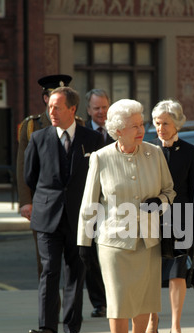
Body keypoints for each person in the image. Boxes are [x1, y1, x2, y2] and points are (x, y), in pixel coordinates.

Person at [78, 99, 176, 333]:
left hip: (148, 240)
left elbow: (170, 191)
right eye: (134, 126)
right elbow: (89, 204)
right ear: (118, 130)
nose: (141, 129)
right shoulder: (100, 157)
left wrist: (159, 201)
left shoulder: (155, 154)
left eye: (141, 123)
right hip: (114, 242)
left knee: (145, 301)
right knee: (119, 303)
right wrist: (84, 243)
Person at [24, 87, 104, 333]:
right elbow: (31, 177)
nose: (52, 112)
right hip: (47, 217)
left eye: (57, 107)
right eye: (50, 108)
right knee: (49, 271)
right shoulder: (38, 138)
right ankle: (47, 328)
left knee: (75, 272)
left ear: (72, 109)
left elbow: (101, 178)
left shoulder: (91, 140)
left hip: (81, 217)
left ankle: (72, 327)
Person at [145, 100, 194, 333]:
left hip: (182, 215)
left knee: (179, 272)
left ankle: (176, 326)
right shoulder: (147, 149)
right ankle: (152, 320)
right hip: (152, 217)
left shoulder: (190, 151)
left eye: (165, 123)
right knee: (151, 271)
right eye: (157, 123)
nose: (160, 127)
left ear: (177, 123)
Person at [17, 74, 75, 279]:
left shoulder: (79, 124)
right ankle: (51, 307)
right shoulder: (31, 126)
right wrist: (26, 201)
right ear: (45, 99)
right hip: (43, 203)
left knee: (73, 261)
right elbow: (22, 167)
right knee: (47, 264)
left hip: (71, 203)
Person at [84, 89, 114, 318]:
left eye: (104, 107)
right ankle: (98, 302)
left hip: (115, 204)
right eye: (97, 108)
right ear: (88, 110)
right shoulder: (82, 133)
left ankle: (114, 297)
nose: (102, 112)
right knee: (89, 255)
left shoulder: (118, 130)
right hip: (88, 203)